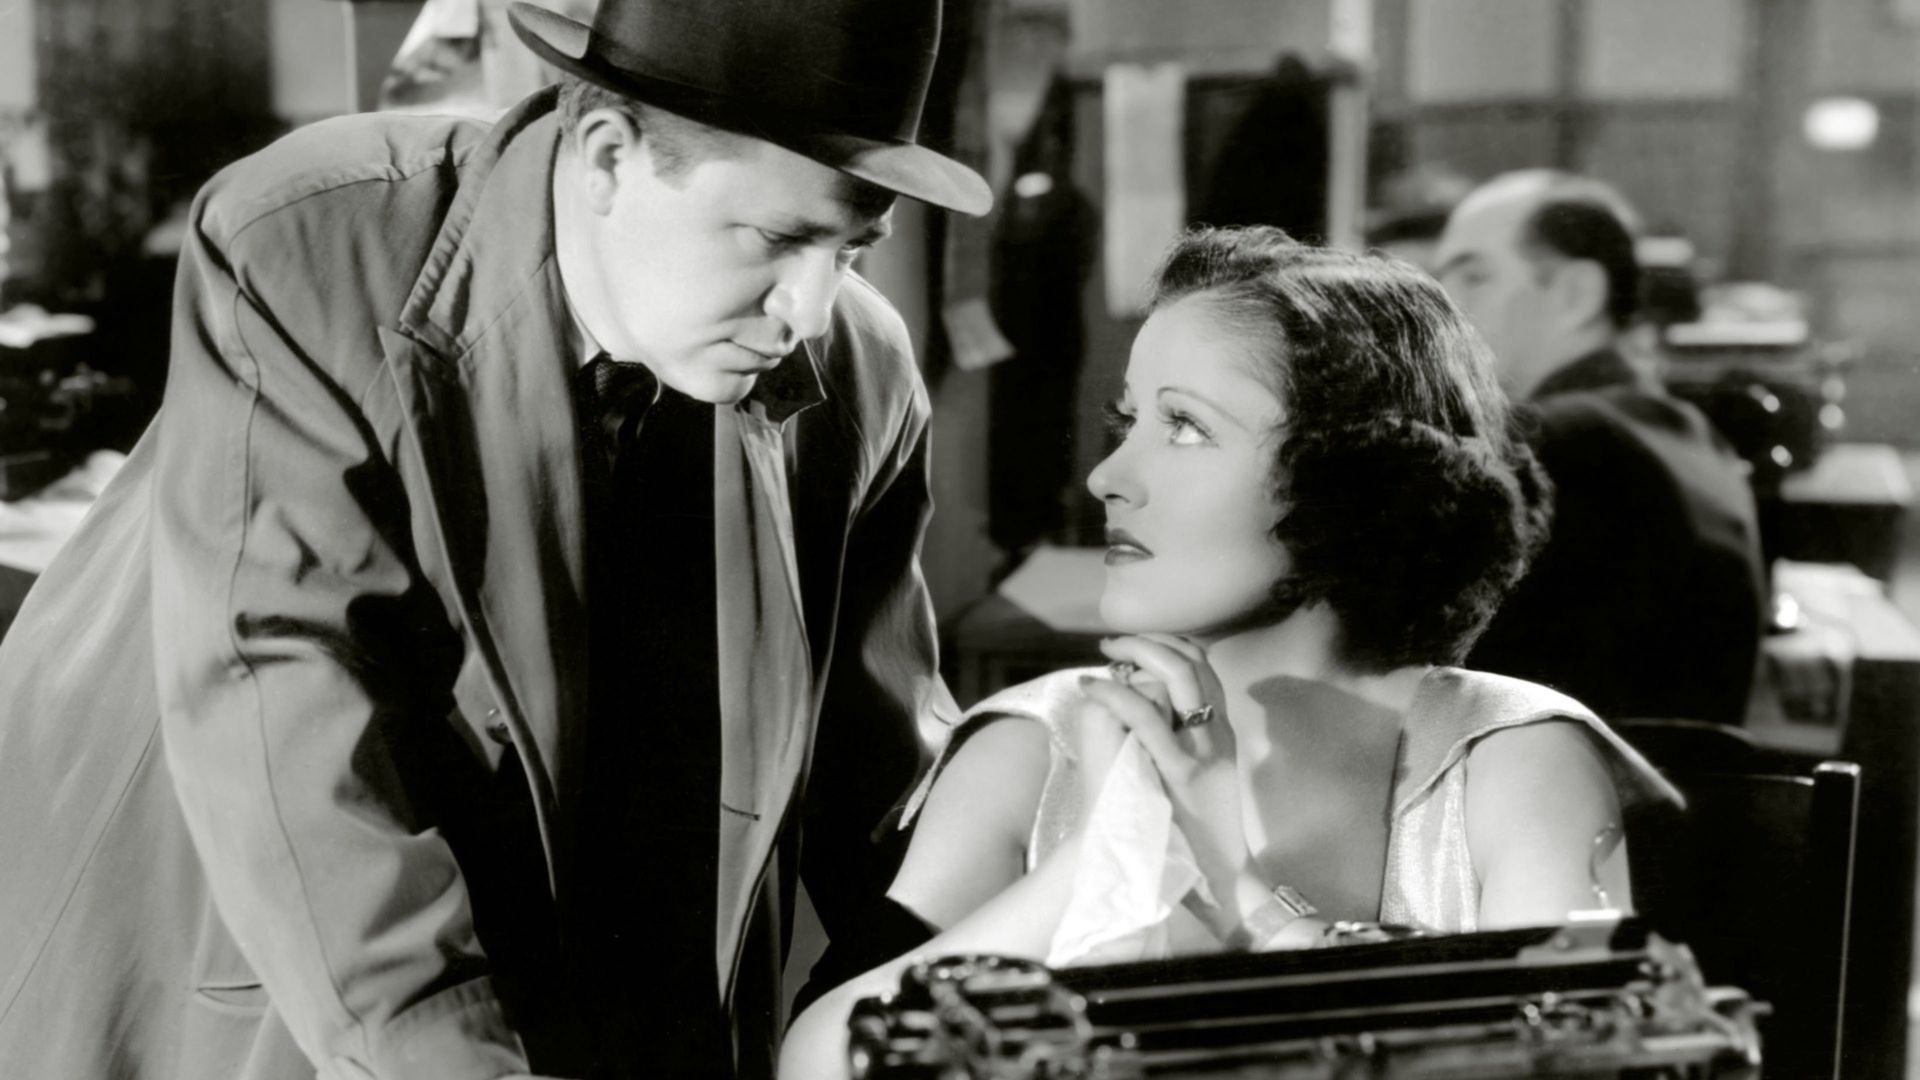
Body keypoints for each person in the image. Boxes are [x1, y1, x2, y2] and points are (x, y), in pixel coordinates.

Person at [0, 0, 988, 1077]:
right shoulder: (313, 246)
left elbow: (876, 781)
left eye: (852, 247)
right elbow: (295, 713)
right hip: (250, 924)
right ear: (607, 156)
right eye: (780, 238)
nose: (811, 308)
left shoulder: (858, 370)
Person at [779, 227, 1679, 1078]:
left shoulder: (1508, 758)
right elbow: (815, 1062)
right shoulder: (1036, 745)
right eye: (1128, 421)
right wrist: (1096, 866)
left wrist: (1243, 895)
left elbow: (1572, 1063)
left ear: (1356, 473)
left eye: (1184, 426)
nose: (1108, 477)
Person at [1434, 169, 1765, 726]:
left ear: (1576, 294)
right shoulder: (1676, 426)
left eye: (1475, 277)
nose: (1444, 306)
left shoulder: (1550, 441)